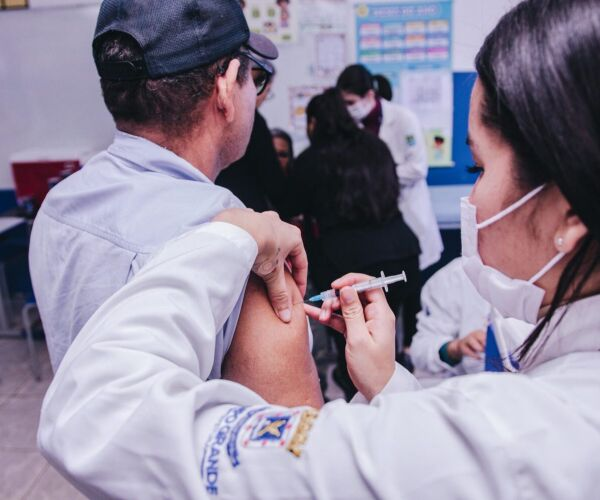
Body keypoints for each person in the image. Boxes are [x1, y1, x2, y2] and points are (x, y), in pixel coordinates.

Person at [38, 0, 600, 497]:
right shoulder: (234, 233)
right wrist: (387, 379)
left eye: (478, 167)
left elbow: (101, 419)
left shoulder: (61, 207)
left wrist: (229, 238)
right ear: (227, 88)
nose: (471, 196)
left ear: (571, 215)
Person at [28, 0, 322, 407]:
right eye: (252, 78)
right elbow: (290, 439)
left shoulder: (60, 206)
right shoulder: (248, 247)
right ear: (226, 87)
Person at [287, 88, 421, 398]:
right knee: (388, 334)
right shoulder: (376, 147)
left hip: (346, 261)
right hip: (400, 250)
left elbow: (289, 204)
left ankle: (362, 402)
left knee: (351, 339)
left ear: (314, 122)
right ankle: (396, 391)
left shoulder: (311, 160)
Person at [337, 64, 443, 272]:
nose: (347, 109)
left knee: (413, 277)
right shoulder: (350, 126)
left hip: (408, 211)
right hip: (374, 222)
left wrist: (376, 178)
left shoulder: (403, 119)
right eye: (343, 104)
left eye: (351, 102)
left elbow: (417, 168)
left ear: (369, 95)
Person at [410, 258, 531, 384]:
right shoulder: (452, 278)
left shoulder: (540, 275)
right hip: (469, 384)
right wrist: (455, 347)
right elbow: (421, 349)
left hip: (530, 382)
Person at [216, 63, 291, 213]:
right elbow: (272, 178)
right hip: (246, 207)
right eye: (266, 90)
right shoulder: (254, 121)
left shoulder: (217, 113)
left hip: (217, 203)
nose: (264, 98)